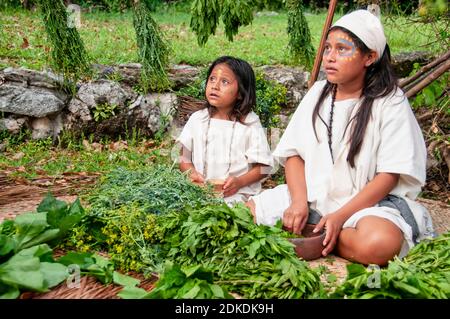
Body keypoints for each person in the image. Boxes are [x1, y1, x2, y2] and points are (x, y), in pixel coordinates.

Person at [246, 10, 435, 266]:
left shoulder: (390, 102)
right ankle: (321, 230)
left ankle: (321, 234)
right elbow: (293, 154)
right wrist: (299, 202)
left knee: (378, 244)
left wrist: (339, 216)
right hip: (314, 197)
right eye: (327, 49)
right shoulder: (319, 93)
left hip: (369, 206)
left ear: (369, 57)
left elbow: (389, 175)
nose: (330, 58)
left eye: (342, 49)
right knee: (246, 216)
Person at [177, 56, 273, 204]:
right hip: (200, 192)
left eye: (224, 82)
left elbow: (264, 168)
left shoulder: (249, 124)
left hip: (238, 196)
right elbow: (184, 157)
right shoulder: (198, 119)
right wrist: (191, 173)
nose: (215, 86)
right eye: (212, 79)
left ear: (240, 93)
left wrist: (240, 182)